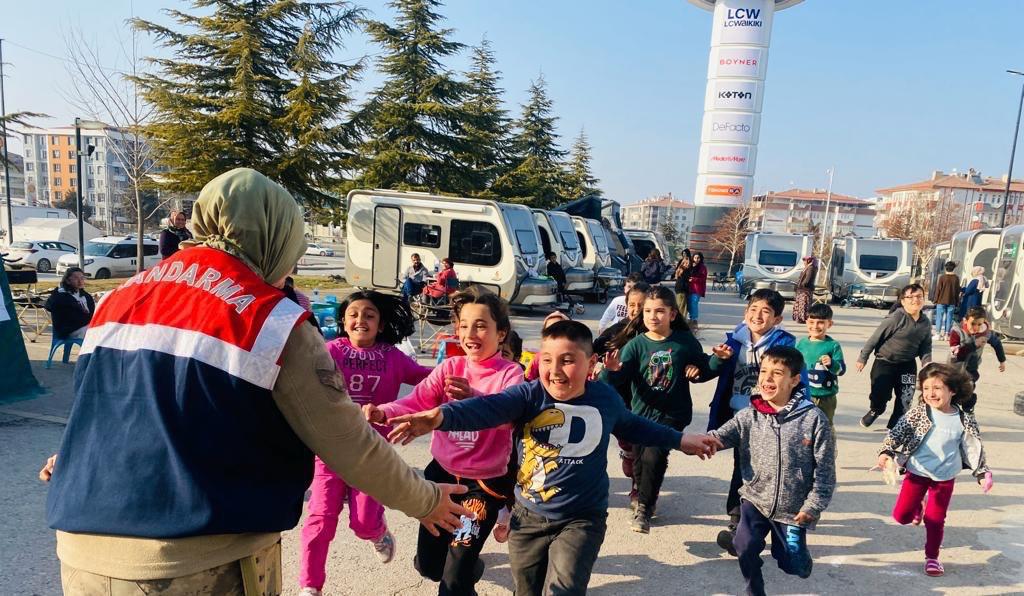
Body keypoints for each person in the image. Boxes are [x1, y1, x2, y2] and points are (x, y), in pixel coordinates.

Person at [43, 168, 470, 595]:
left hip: (81, 555)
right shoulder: (273, 321)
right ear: (273, 235)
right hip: (197, 560)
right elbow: (346, 440)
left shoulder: (118, 298)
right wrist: (426, 500)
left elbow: (104, 407)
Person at [384, 320, 722, 596]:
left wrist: (681, 439)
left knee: (563, 590)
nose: (555, 370)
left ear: (591, 365)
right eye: (546, 360)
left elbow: (634, 425)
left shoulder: (604, 398)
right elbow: (486, 408)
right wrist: (439, 417)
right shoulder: (529, 396)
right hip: (528, 518)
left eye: (568, 360)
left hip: (581, 519)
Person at [365, 287, 524, 596]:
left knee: (452, 581)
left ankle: (464, 569)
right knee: (430, 567)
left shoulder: (510, 374)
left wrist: (473, 399)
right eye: (464, 325)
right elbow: (415, 402)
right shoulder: (450, 368)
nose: (470, 333)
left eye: (481, 325)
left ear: (500, 332)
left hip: (483, 488)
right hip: (440, 482)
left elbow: (509, 414)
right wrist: (383, 414)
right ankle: (470, 569)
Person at [298, 291, 433, 596]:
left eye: (370, 315)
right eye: (354, 314)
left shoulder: (393, 357)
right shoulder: (326, 351)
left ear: (381, 324)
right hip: (330, 452)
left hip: (372, 456)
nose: (361, 320)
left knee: (363, 523)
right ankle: (310, 586)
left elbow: (427, 379)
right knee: (319, 520)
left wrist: (462, 373)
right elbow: (296, 382)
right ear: (343, 322)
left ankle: (378, 533)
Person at [708, 346, 836, 596]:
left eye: (777, 373)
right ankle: (754, 589)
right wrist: (700, 442)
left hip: (793, 509)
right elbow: (721, 436)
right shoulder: (749, 415)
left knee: (792, 564)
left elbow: (825, 472)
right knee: (746, 547)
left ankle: (793, 554)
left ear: (795, 380)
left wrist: (812, 506)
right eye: (764, 371)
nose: (767, 378)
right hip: (755, 499)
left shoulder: (813, 419)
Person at [600, 286, 713, 533]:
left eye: (660, 311)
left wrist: (713, 363)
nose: (653, 316)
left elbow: (705, 369)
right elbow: (614, 382)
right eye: (648, 311)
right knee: (641, 460)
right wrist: (612, 370)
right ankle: (643, 492)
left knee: (654, 454)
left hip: (673, 414)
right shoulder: (636, 345)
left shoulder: (684, 342)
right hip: (641, 414)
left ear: (672, 314)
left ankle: (644, 509)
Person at [705, 288, 802, 555]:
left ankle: (759, 527)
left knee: (762, 471)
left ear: (777, 320)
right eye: (753, 309)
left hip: (769, 420)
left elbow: (798, 383)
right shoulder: (733, 341)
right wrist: (712, 362)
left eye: (766, 311)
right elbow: (709, 370)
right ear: (745, 312)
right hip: (738, 417)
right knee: (742, 468)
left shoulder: (785, 345)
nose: (758, 315)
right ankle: (739, 525)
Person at [874, 363, 993, 577]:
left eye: (937, 388)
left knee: (935, 519)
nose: (931, 393)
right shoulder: (917, 414)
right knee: (901, 516)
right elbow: (895, 435)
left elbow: (974, 447)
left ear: (952, 390)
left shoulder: (963, 419)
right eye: (926, 388)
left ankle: (932, 557)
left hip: (945, 476)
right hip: (917, 473)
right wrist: (886, 452)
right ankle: (919, 504)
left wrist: (982, 474)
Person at [592, 282, 650, 507]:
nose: (636, 309)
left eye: (642, 305)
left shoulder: (657, 333)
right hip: (619, 398)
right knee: (628, 445)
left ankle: (638, 491)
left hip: (645, 399)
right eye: (632, 305)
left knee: (642, 446)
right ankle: (627, 453)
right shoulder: (616, 331)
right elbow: (593, 349)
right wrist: (595, 365)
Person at [857, 283, 933, 430]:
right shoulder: (896, 318)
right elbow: (875, 338)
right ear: (903, 301)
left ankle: (895, 426)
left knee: (906, 397)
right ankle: (876, 410)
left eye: (919, 296)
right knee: (880, 394)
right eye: (910, 297)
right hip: (885, 362)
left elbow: (926, 346)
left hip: (907, 364)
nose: (915, 300)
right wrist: (863, 358)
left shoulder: (925, 323)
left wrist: (927, 364)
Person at [948, 306, 1006, 413]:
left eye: (980, 324)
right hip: (955, 368)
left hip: (971, 369)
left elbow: (997, 343)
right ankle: (951, 411)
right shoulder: (957, 331)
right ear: (966, 321)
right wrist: (974, 345)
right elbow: (956, 353)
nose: (976, 327)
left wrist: (1002, 360)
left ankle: (968, 413)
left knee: (968, 391)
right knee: (952, 393)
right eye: (973, 323)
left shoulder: (985, 332)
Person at [795, 303, 845, 427]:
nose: (815, 326)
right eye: (811, 322)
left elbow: (841, 370)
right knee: (802, 425)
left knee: (825, 426)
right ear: (806, 322)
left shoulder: (833, 345)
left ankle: (827, 445)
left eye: (821, 322)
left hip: (826, 397)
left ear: (830, 324)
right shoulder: (801, 344)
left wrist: (832, 364)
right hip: (803, 394)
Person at [44, 267, 95, 339]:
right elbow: (74, 318)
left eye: (82, 278)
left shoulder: (85, 295)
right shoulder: (61, 296)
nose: (80, 281)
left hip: (85, 325)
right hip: (70, 330)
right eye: (76, 278)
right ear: (68, 281)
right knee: (98, 333)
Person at [524, 311, 571, 381]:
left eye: (559, 330)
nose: (555, 371)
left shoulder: (578, 356)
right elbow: (529, 380)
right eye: (548, 331)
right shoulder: (538, 358)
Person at [931, 261, 960, 339]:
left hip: (941, 300)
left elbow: (938, 289)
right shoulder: (956, 278)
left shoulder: (942, 277)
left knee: (939, 317)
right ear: (954, 268)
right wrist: (957, 301)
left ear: (945, 268)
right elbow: (957, 291)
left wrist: (935, 300)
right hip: (952, 301)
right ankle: (947, 334)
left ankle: (938, 334)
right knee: (949, 318)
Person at [792, 256, 818, 324]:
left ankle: (804, 318)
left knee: (804, 304)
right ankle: (800, 318)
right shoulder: (808, 267)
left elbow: (807, 279)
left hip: (805, 289)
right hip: (802, 289)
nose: (804, 262)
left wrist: (802, 285)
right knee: (801, 304)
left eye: (805, 260)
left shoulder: (811, 268)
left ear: (808, 261)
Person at [687, 252, 708, 333]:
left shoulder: (702, 267)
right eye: (695, 258)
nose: (696, 259)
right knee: (689, 303)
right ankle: (690, 318)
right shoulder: (690, 265)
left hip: (697, 289)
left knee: (694, 303)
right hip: (688, 288)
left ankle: (694, 319)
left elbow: (703, 279)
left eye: (698, 258)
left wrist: (694, 279)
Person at [673, 254, 692, 319]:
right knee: (682, 307)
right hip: (682, 290)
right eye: (686, 263)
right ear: (683, 263)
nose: (687, 264)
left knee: (681, 306)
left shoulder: (680, 269)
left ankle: (680, 319)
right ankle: (681, 320)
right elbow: (682, 282)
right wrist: (689, 281)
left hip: (680, 290)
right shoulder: (684, 270)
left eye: (688, 263)